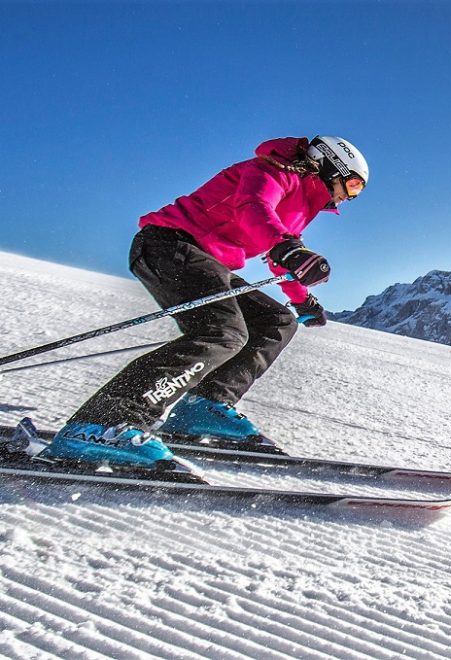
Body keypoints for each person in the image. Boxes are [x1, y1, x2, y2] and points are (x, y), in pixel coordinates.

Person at [41, 136, 369, 472]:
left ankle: (203, 408)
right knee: (221, 332)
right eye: (354, 184)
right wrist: (288, 249)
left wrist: (303, 299)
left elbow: (276, 249)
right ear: (329, 165)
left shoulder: (304, 203)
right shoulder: (272, 170)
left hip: (209, 261)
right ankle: (101, 425)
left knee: (275, 321)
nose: (352, 194)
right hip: (169, 244)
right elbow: (253, 209)